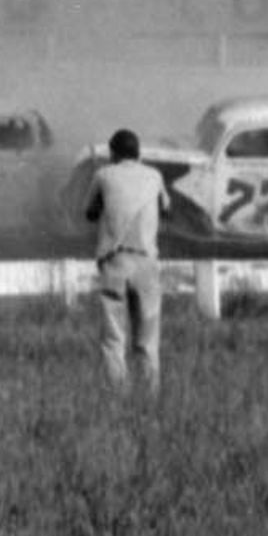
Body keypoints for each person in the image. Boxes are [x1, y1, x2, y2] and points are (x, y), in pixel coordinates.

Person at [84, 129, 168, 395]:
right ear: (138, 153)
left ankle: (118, 397)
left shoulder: (103, 175)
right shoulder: (154, 176)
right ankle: (150, 396)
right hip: (146, 264)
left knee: (113, 340)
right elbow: (167, 209)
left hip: (115, 263)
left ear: (113, 154)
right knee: (147, 341)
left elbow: (90, 212)